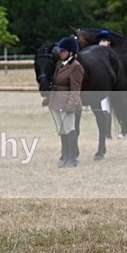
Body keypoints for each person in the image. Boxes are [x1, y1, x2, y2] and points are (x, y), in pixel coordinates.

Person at [49, 37, 84, 168]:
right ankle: (64, 155)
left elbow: (76, 89)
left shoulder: (76, 67)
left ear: (70, 52)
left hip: (68, 103)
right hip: (57, 102)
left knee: (70, 130)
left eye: (63, 51)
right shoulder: (60, 64)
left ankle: (72, 157)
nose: (60, 53)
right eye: (60, 51)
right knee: (62, 130)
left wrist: (71, 105)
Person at [95, 30, 113, 140]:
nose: (102, 43)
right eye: (101, 41)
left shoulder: (112, 54)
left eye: (105, 40)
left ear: (109, 42)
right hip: (103, 85)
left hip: (113, 85)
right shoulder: (96, 54)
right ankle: (107, 133)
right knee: (105, 109)